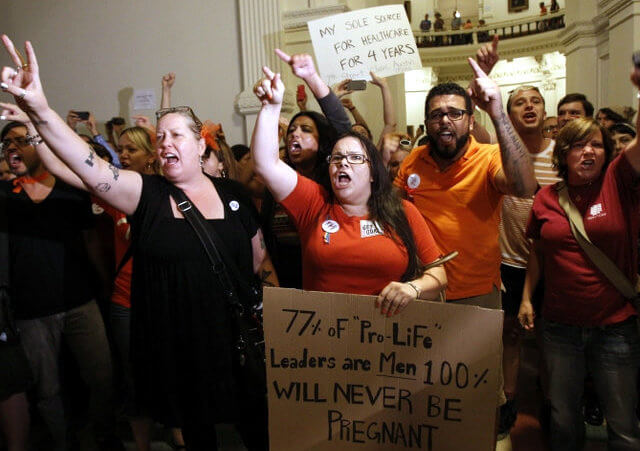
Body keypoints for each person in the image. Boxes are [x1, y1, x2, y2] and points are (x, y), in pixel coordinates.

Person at [0, 35, 269, 450]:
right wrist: (38, 108)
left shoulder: (234, 195)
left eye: (177, 135)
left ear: (201, 144)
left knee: (253, 433)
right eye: (160, 137)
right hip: (178, 350)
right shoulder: (145, 194)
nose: (165, 144)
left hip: (231, 347)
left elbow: (256, 261)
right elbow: (85, 164)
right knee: (199, 438)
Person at [252, 64, 447, 314]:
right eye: (337, 158)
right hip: (326, 336)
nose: (343, 162)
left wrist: (414, 289)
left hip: (388, 337)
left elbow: (439, 273)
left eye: (355, 158)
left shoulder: (403, 212)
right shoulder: (314, 203)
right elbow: (265, 164)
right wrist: (270, 107)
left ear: (373, 173)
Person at [518, 115, 640, 450]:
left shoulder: (619, 182)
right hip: (560, 328)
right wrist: (527, 298)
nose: (588, 152)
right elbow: (538, 252)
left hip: (614, 326)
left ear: (607, 152)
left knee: (623, 422)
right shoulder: (546, 198)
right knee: (564, 419)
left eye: (596, 144)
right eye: (578, 145)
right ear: (563, 154)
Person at [498, 85, 560, 434]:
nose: (529, 106)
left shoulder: (559, 155)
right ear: (509, 115)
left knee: (552, 337)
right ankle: (509, 399)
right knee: (510, 335)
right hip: (509, 260)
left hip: (551, 263)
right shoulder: (498, 153)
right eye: (520, 103)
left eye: (535, 101)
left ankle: (552, 402)